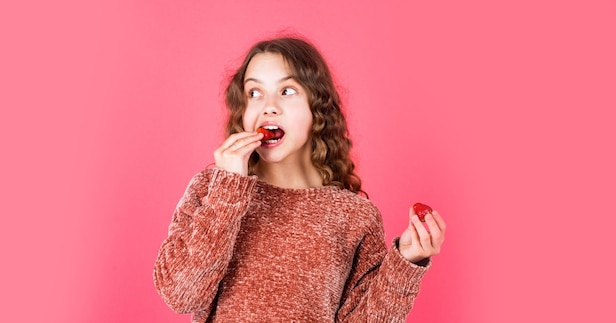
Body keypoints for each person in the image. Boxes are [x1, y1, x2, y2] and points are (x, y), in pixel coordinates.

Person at [153, 35, 446, 322]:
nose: (268, 106)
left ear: (316, 107)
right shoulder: (212, 189)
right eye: (254, 93)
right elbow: (182, 295)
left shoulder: (354, 216)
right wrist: (228, 190)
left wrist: (406, 262)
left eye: (287, 91)